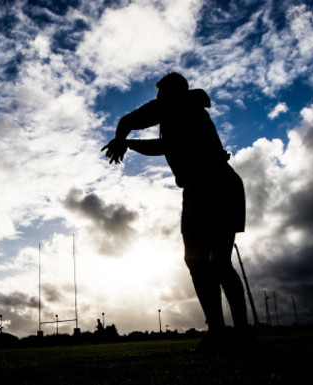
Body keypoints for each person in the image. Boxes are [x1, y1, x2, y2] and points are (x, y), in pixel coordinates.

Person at [101, 72, 253, 353]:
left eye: (161, 95)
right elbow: (127, 122)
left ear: (172, 94)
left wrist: (126, 142)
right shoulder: (174, 107)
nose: (156, 101)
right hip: (203, 186)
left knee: (216, 262)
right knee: (201, 261)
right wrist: (123, 138)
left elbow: (160, 142)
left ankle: (237, 333)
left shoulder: (184, 109)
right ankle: (221, 332)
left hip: (213, 183)